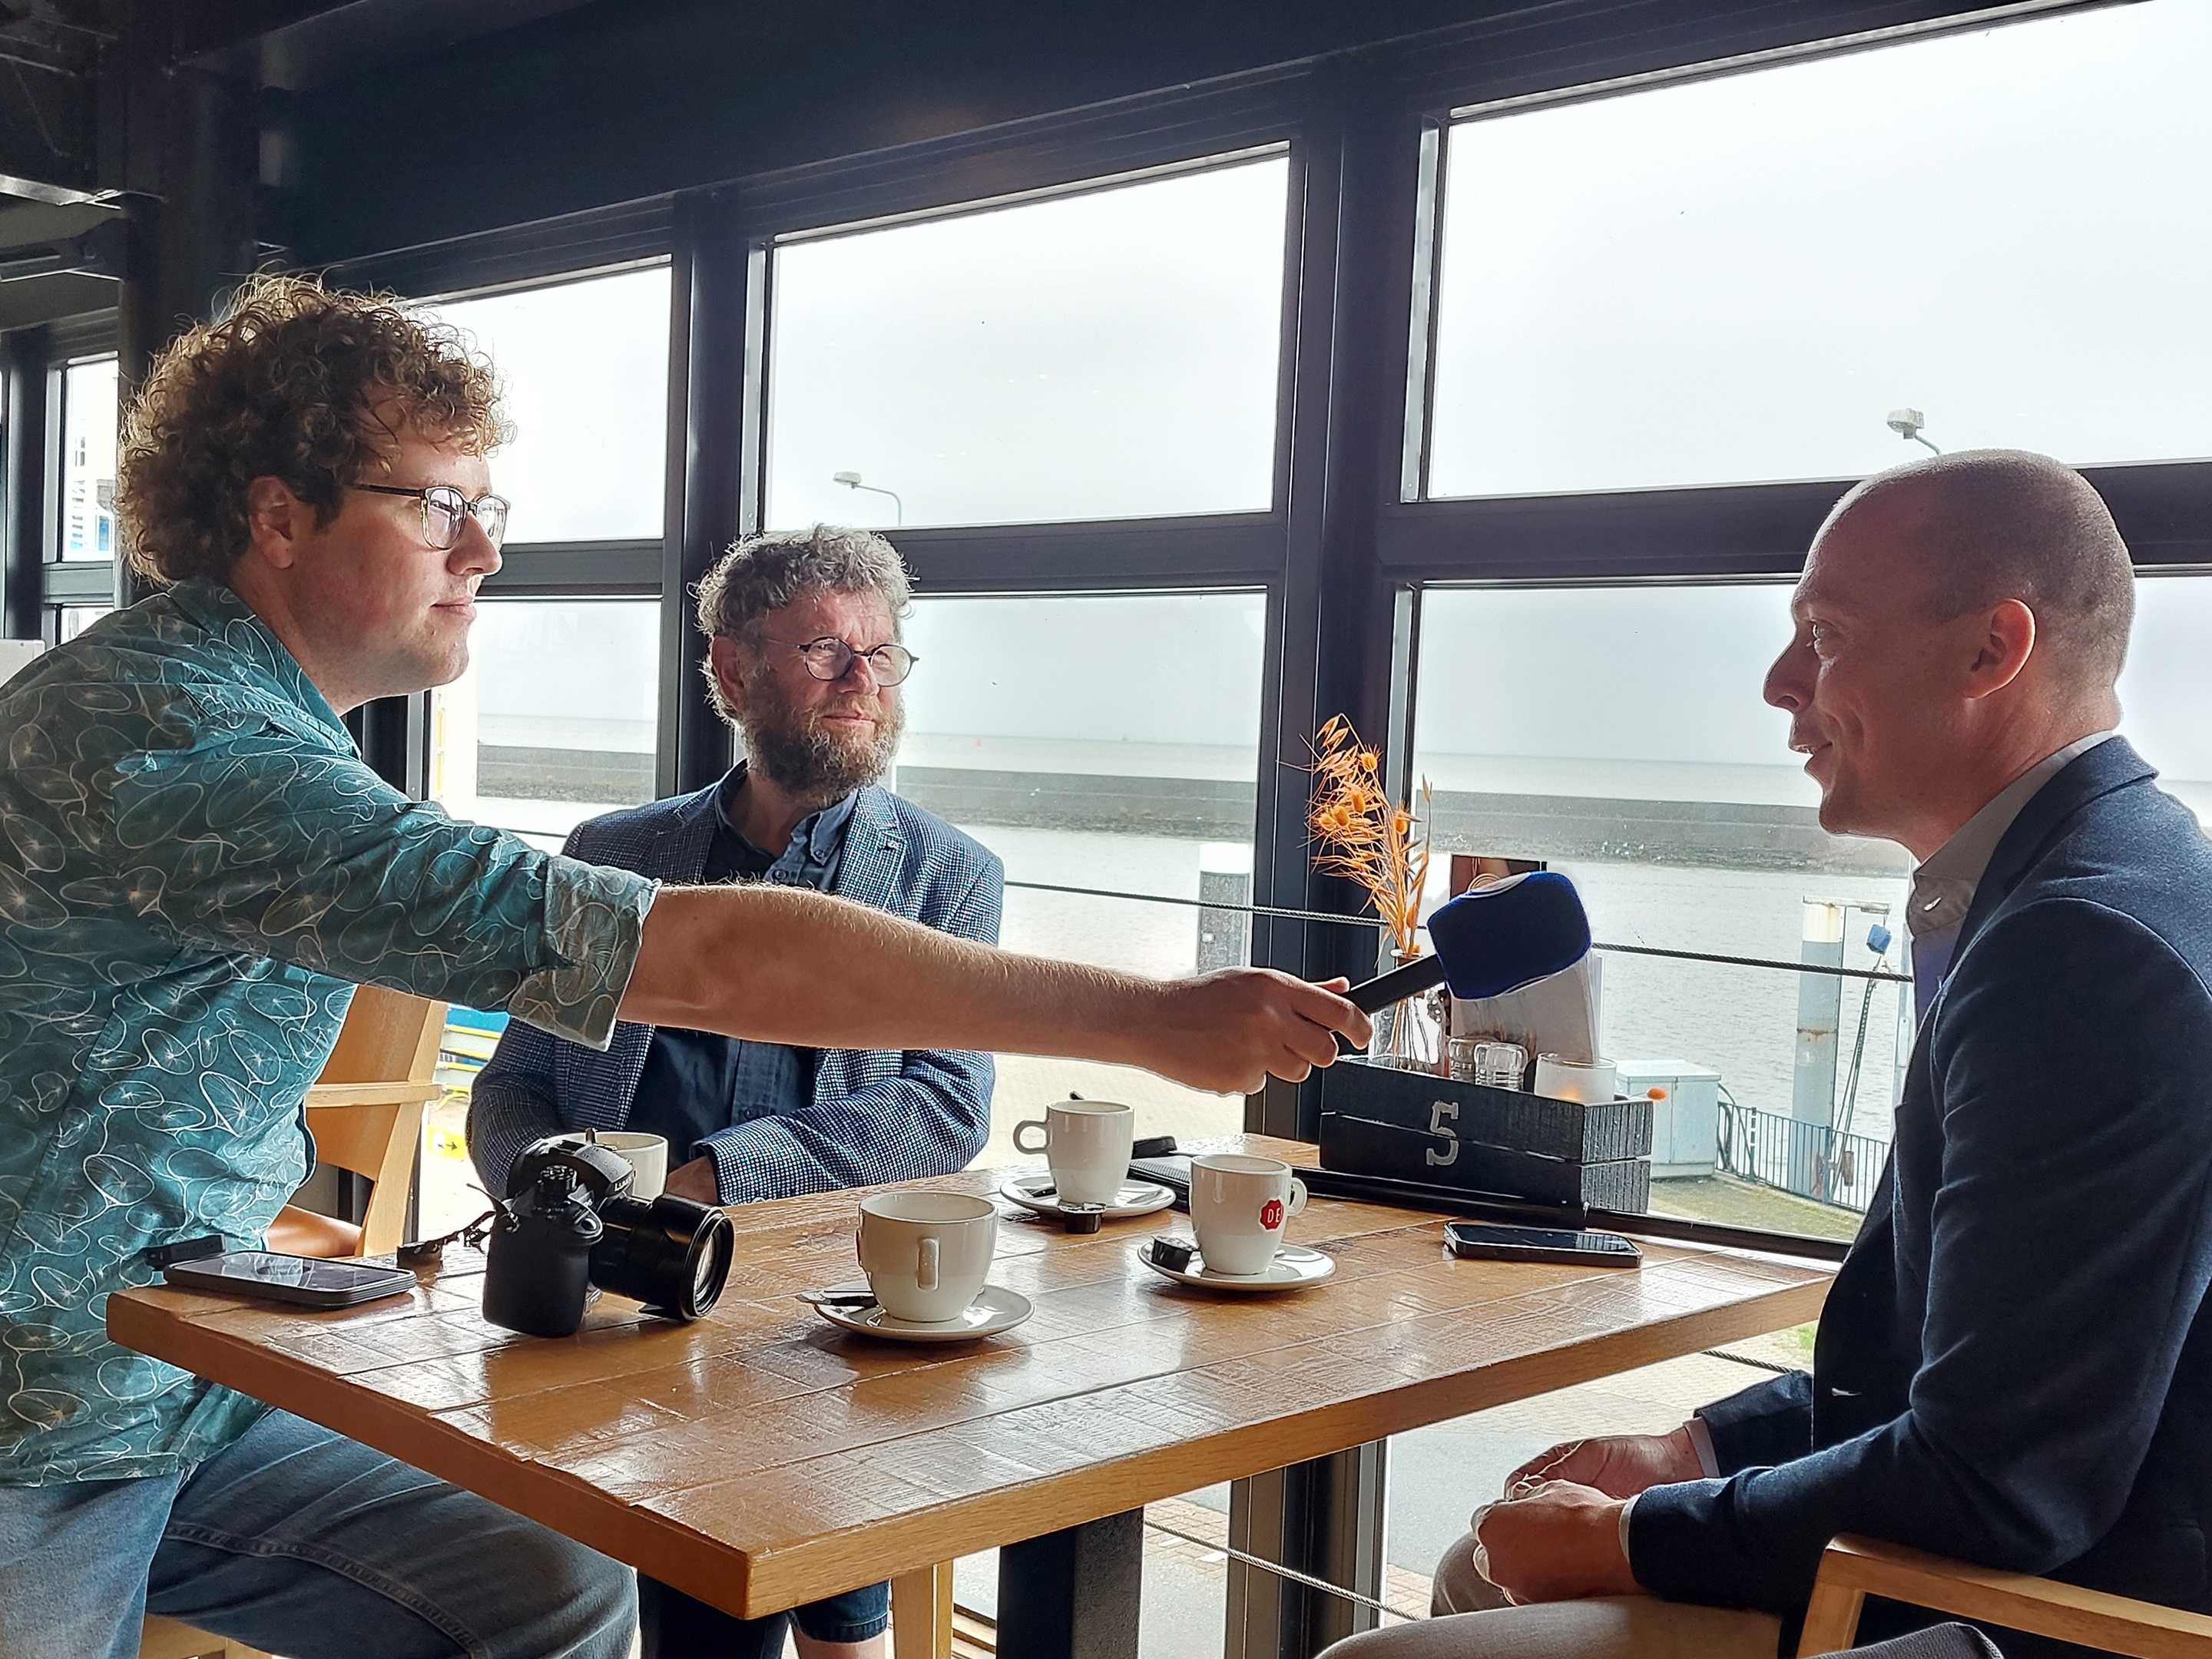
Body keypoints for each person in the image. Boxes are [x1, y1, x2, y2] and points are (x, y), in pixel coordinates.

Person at [0, 275, 1368, 1659]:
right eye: (436, 505)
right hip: (39, 1410)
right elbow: (704, 953)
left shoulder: (235, 713)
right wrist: (1150, 1018)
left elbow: (909, 1093)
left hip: (179, 1372)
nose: (483, 551)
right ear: (279, 516)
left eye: (487, 507)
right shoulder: (189, 741)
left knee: (546, 1585)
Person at [1324, 450, 2212, 1659]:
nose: (1780, 683)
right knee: (1478, 1571)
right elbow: (1979, 1372)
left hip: (2062, 1618)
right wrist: (1697, 1449)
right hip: (2038, 1555)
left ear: (1991, 651)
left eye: (1825, 635)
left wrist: (1631, 1537)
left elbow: (1997, 1481)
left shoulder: (2082, 951)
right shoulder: (2118, 872)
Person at [469, 525, 1000, 1659]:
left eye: (881, 654)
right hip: (620, 1295)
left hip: (822, 1307)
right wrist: (554, 1192)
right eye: (823, 650)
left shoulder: (946, 875)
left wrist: (714, 1177)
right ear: (732, 668)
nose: (862, 680)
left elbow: (946, 1110)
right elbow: (513, 1082)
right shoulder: (613, 851)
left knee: (833, 1609)